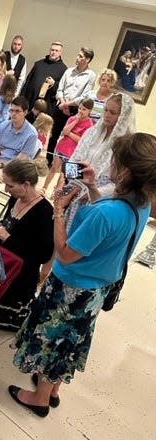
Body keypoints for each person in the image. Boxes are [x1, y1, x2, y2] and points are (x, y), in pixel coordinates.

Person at [9, 132, 156, 417]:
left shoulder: (107, 213)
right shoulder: (141, 203)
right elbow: (107, 222)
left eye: (113, 159)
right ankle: (51, 389)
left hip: (72, 286)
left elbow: (65, 252)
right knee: (70, 339)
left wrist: (59, 211)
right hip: (96, 288)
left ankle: (38, 398)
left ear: (124, 171)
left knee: (53, 339)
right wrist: (91, 187)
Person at [0, 159, 54, 331]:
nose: (6, 190)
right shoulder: (15, 198)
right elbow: (10, 224)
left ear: (26, 184)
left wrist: (7, 237)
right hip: (4, 264)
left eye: (10, 186)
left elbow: (43, 254)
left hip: (21, 276)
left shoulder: (44, 212)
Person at [64, 92, 136, 227]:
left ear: (123, 117)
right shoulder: (92, 132)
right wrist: (73, 186)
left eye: (113, 113)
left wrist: (91, 191)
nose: (107, 115)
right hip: (74, 188)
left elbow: (120, 183)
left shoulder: (126, 145)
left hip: (98, 198)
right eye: (106, 110)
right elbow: (75, 158)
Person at [0, 96, 39, 212]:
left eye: (17, 111)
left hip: (15, 166)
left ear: (25, 112)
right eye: (11, 110)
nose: (13, 114)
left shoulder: (31, 134)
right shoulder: (4, 125)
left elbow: (20, 159)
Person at [47, 47, 96, 159]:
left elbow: (84, 96)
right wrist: (63, 103)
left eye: (81, 56)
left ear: (87, 59)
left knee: (68, 136)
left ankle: (62, 163)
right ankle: (48, 161)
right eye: (78, 55)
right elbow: (60, 90)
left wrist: (68, 105)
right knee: (53, 134)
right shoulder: (68, 71)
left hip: (75, 110)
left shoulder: (91, 75)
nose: (77, 58)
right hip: (61, 106)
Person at [42, 98, 94, 195]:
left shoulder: (89, 125)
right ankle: (44, 187)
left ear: (89, 111)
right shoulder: (72, 118)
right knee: (54, 168)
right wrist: (75, 121)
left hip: (73, 153)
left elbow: (81, 141)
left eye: (84, 110)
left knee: (64, 175)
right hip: (62, 147)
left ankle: (57, 193)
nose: (80, 111)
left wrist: (69, 134)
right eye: (80, 108)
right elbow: (64, 132)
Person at [21, 41, 67, 115]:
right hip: (30, 103)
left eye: (56, 50)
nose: (53, 52)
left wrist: (54, 83)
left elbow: (62, 89)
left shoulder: (64, 70)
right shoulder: (38, 64)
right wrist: (22, 99)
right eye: (52, 50)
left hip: (46, 107)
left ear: (60, 52)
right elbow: (27, 82)